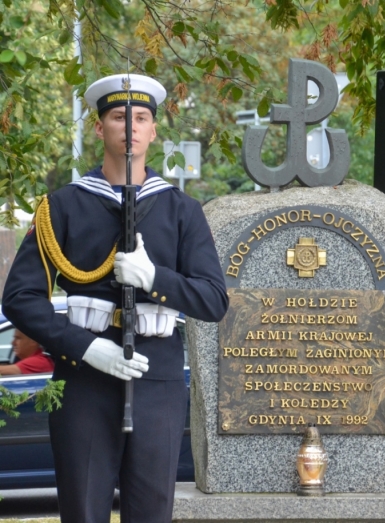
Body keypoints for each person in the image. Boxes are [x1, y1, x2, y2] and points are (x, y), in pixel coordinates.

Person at [2, 73, 228, 523]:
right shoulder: (62, 207)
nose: (131, 127)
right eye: (119, 117)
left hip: (157, 379)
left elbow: (213, 300)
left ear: (153, 131)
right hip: (84, 381)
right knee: (83, 510)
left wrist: (153, 278)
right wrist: (87, 348)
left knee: (151, 513)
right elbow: (21, 298)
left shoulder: (182, 211)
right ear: (100, 127)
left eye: (141, 118)